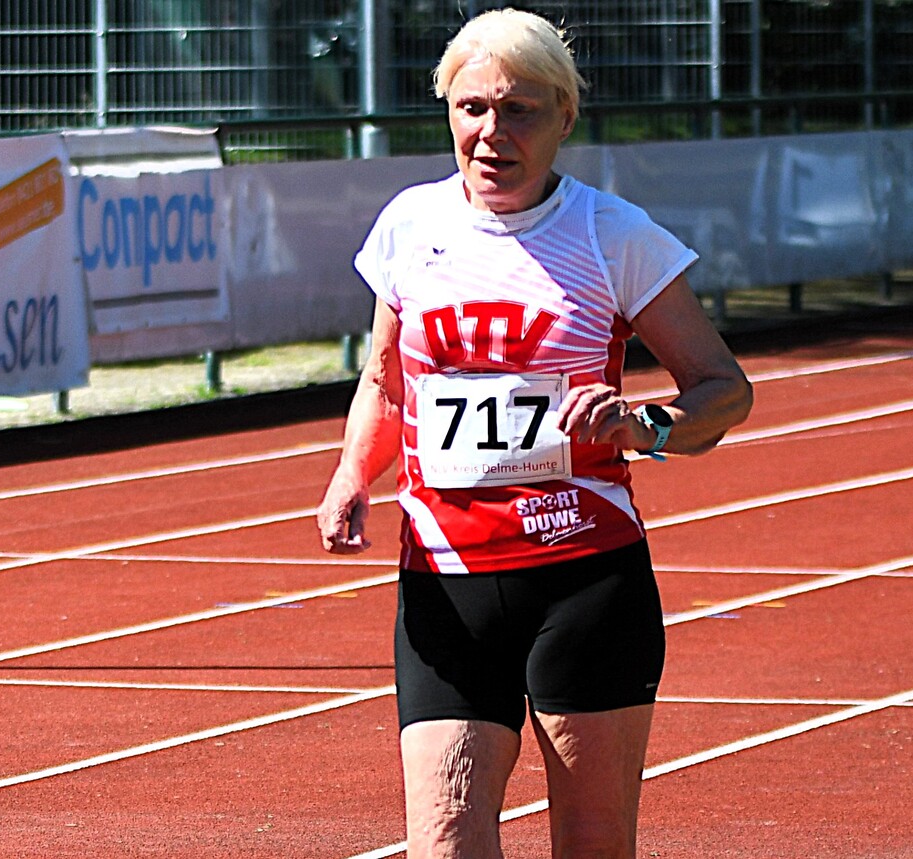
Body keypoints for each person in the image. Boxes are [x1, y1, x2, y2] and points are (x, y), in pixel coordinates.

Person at [316, 8, 753, 859]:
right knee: (442, 839)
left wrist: (643, 424)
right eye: (472, 107)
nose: (491, 133)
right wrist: (349, 475)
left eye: (518, 110)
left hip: (583, 580)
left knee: (591, 845)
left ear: (564, 117)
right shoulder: (411, 225)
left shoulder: (611, 235)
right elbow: (384, 381)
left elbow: (723, 390)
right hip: (445, 581)